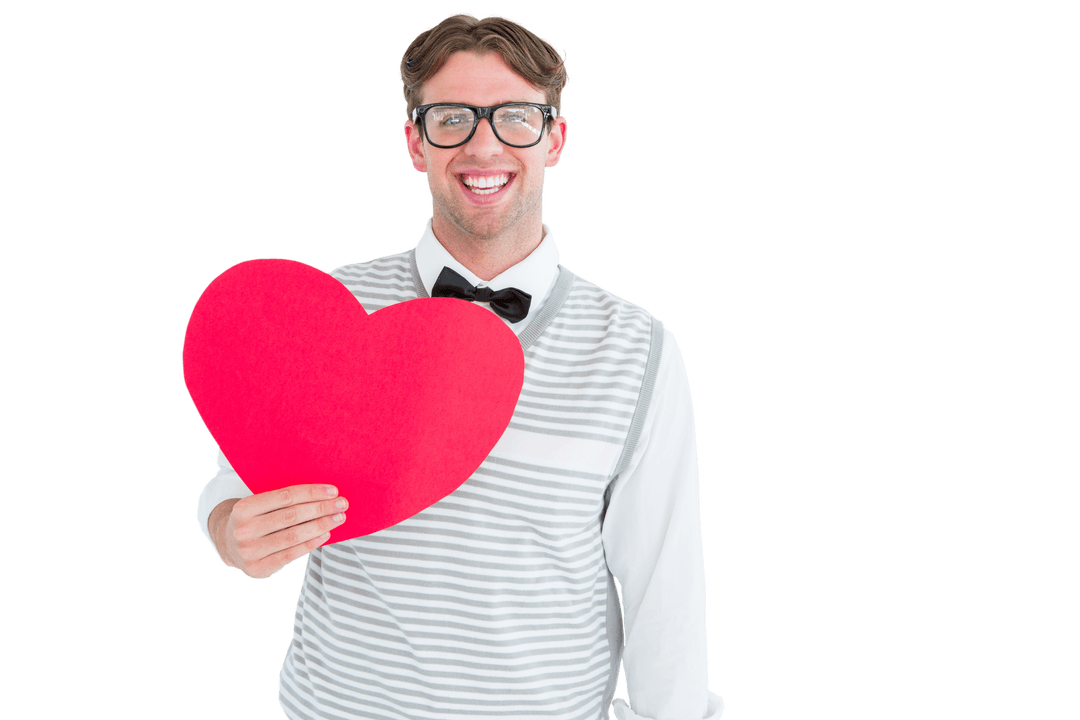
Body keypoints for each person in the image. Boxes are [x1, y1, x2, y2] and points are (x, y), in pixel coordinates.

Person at [196, 12, 724, 720]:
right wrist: (232, 532)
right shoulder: (336, 307)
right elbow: (233, 487)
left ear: (555, 139)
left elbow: (665, 590)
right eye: (451, 118)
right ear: (415, 141)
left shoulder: (636, 350)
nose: (483, 145)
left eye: (514, 117)